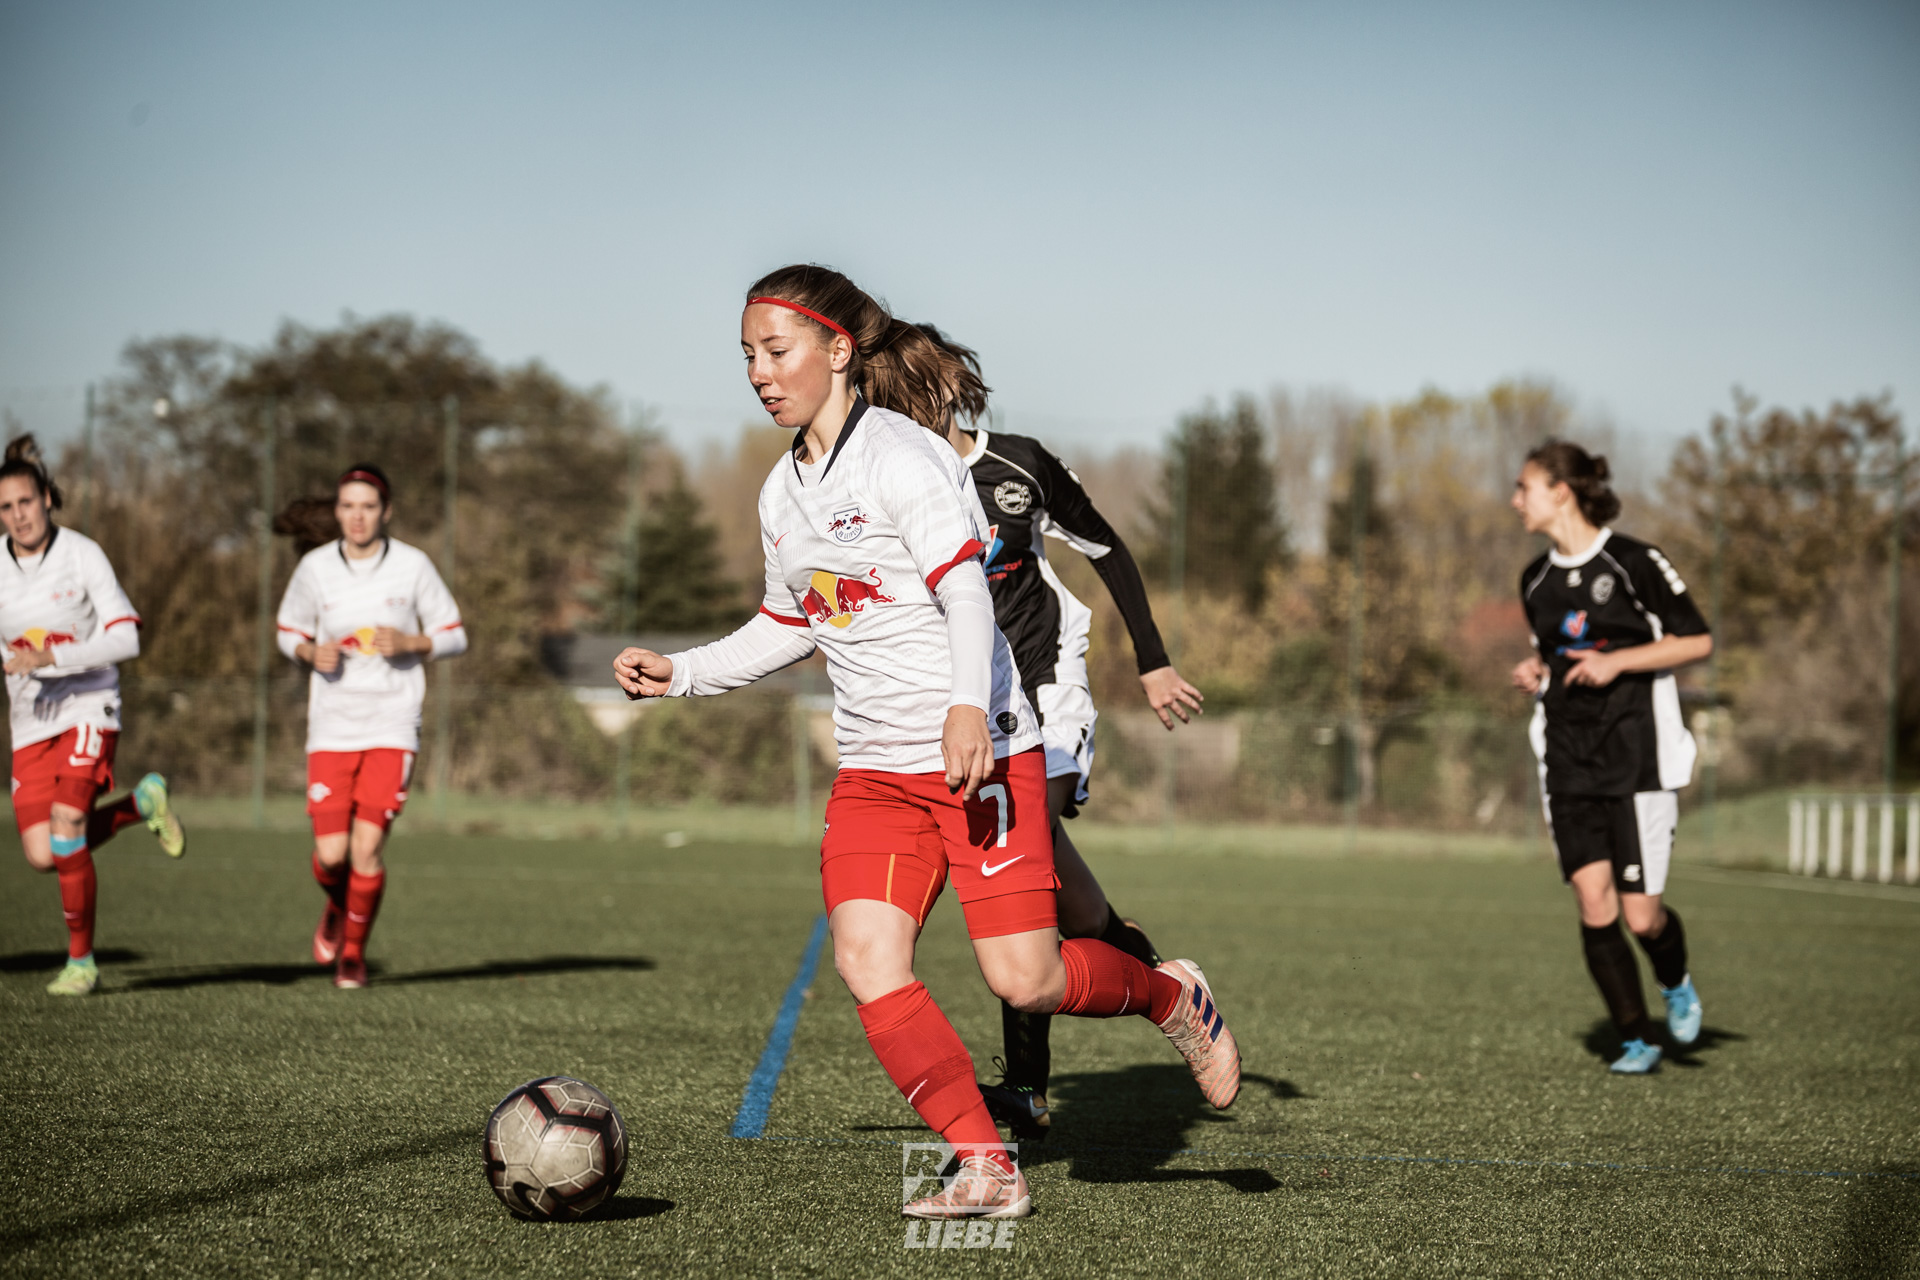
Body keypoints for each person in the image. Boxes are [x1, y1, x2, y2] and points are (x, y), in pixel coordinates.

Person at [615, 265, 1239, 1220]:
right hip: (874, 776)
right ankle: (985, 1164)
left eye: (775, 352)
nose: (758, 372)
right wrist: (684, 670)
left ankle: (1168, 997)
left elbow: (962, 592)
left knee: (1025, 981)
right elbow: (794, 621)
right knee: (869, 959)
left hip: (979, 752)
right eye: (746, 355)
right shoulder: (783, 493)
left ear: (838, 352)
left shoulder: (904, 457)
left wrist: (962, 706)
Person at [910, 325, 1204, 1141]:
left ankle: (1028, 1092)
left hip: (1048, 688)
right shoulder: (900, 483)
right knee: (1061, 900)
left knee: (1022, 860)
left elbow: (1107, 547)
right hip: (978, 705)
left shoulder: (1020, 465)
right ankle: (1165, 985)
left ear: (941, 389)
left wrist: (1152, 660)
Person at [1510, 441, 1710, 1074]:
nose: (1516, 500)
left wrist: (1618, 659)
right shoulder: (1534, 580)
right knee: (1594, 906)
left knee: (1641, 917)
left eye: (1525, 488)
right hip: (1567, 760)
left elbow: (1696, 639)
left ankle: (1674, 979)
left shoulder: (1634, 562)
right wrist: (1534, 668)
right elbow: (1551, 654)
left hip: (1637, 759)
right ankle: (1634, 1038)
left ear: (1560, 492)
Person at [0, 435, 185, 997]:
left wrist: (53, 655)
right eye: (6, 508)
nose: (17, 515)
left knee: (66, 824)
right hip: (32, 722)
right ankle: (139, 805)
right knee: (42, 854)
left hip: (89, 708)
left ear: (48, 499)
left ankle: (81, 963)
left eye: (26, 502)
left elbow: (125, 639)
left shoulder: (82, 554)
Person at [275, 465, 466, 989]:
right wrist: (308, 650)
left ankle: (353, 956)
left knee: (366, 851)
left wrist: (412, 643)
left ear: (386, 512)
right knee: (331, 855)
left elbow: (454, 634)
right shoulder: (315, 568)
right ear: (336, 512)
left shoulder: (412, 566)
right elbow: (286, 630)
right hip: (332, 728)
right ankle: (339, 905)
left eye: (367, 507)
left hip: (392, 723)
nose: (356, 517)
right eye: (347, 506)